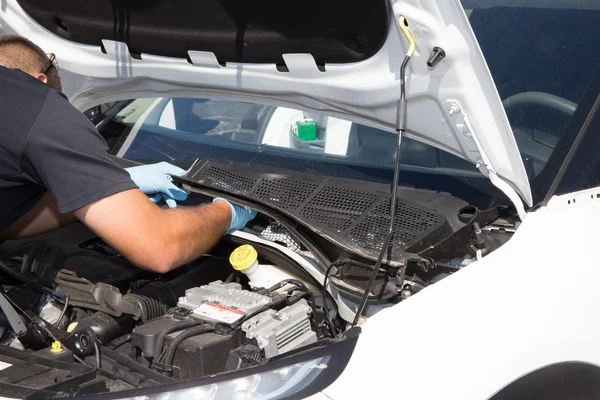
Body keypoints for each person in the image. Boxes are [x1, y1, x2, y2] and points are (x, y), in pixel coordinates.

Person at [0, 35, 257, 273]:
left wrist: (95, 192)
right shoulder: (41, 110)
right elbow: (159, 248)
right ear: (41, 82)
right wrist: (225, 212)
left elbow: (8, 219)